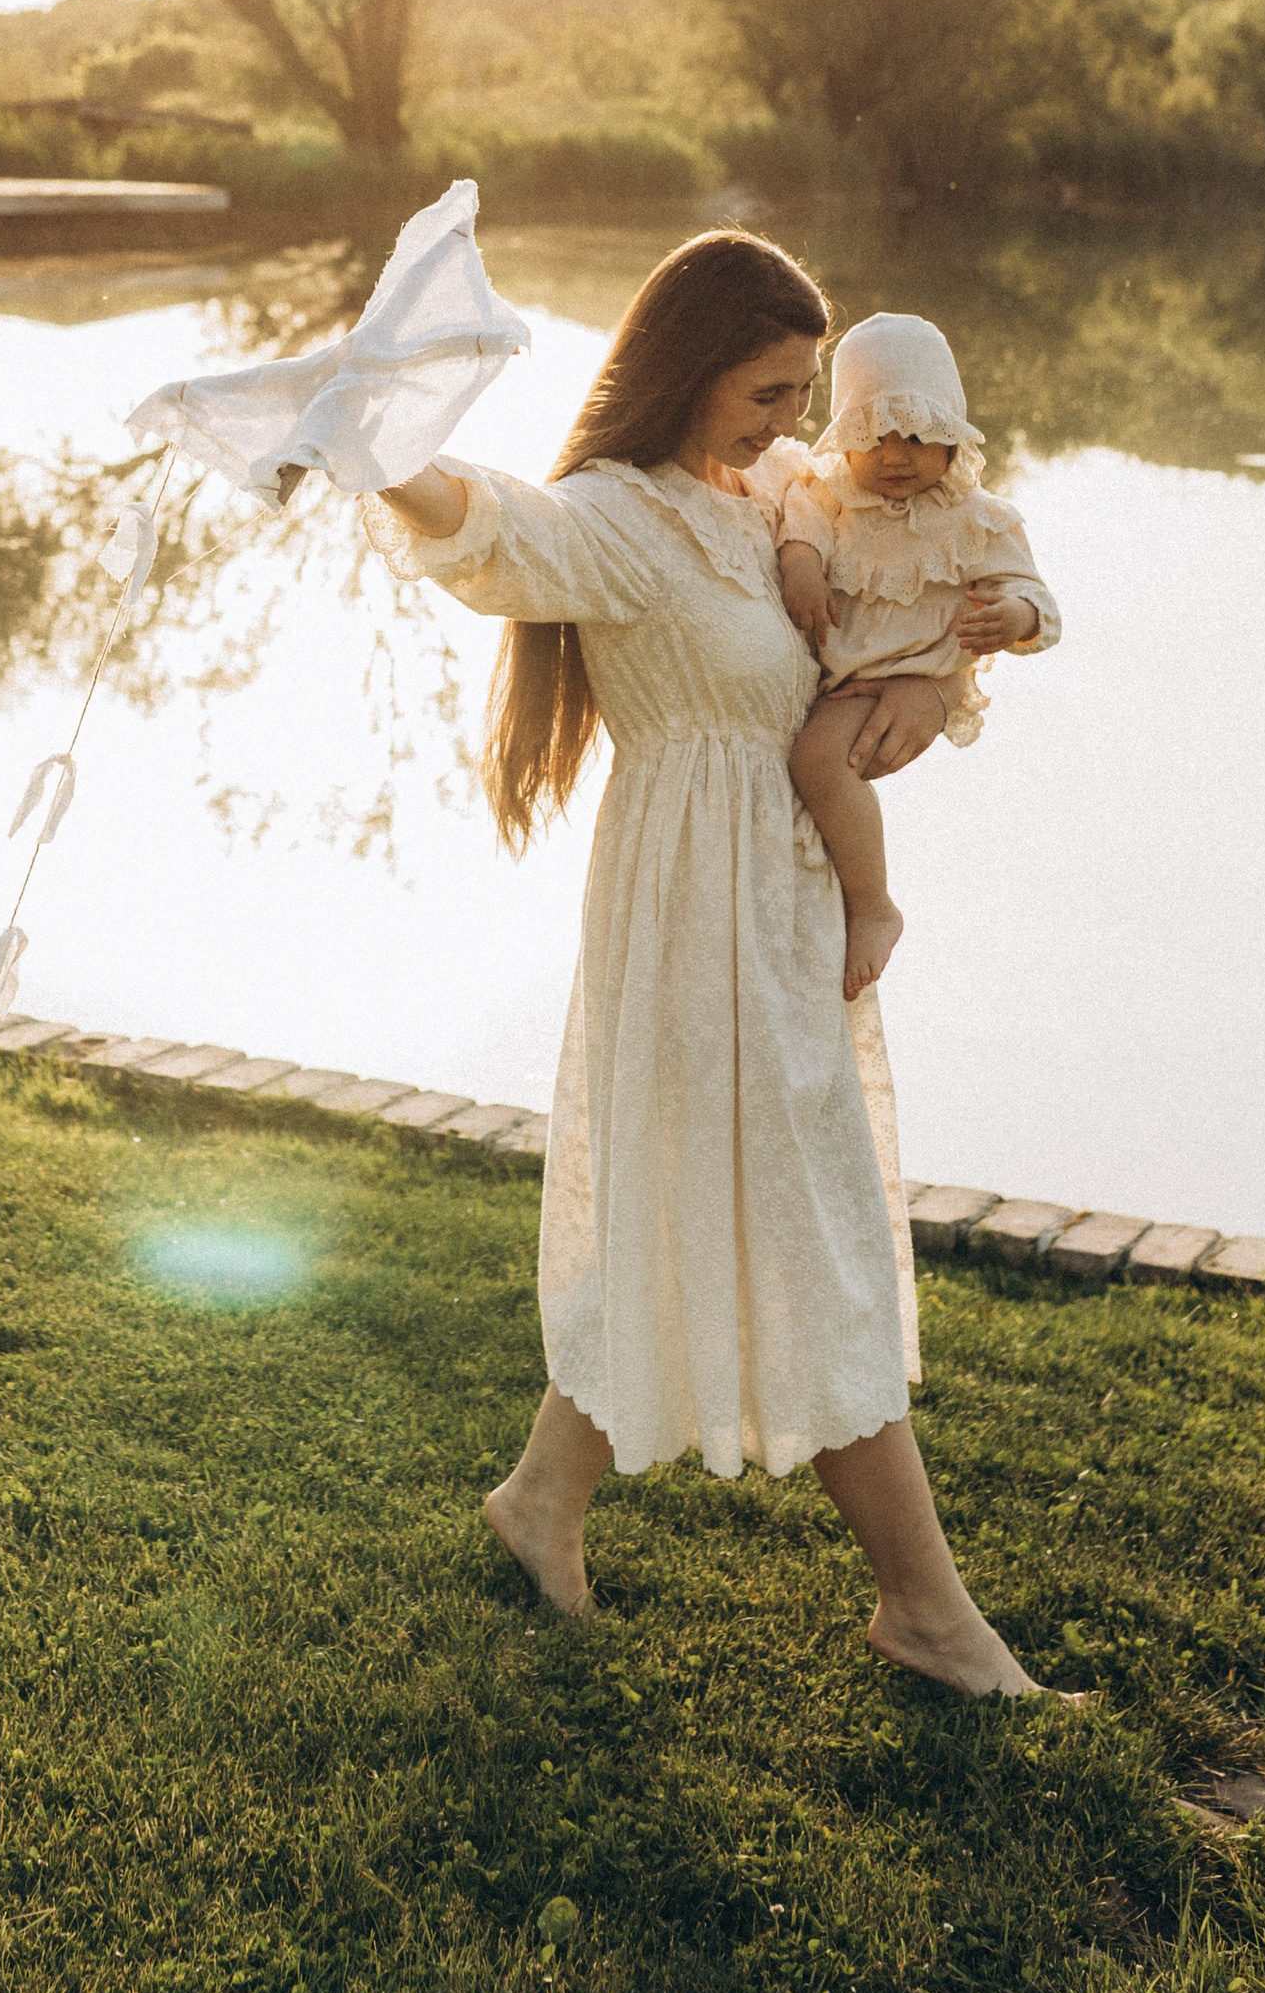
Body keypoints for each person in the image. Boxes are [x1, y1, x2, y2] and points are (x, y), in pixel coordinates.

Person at [373, 227, 1043, 1695]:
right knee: (812, 1226)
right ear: (687, 372)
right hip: (696, 910)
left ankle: (541, 1501)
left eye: (807, 395)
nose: (793, 426)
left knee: (705, 1200)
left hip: (783, 899)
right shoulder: (620, 516)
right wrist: (379, 451)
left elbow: (881, 638)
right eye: (766, 394)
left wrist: (946, 673)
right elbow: (492, 529)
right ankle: (927, 1611)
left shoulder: (775, 500)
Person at [764, 310, 1060, 1006]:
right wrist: (801, 564)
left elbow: (1037, 599)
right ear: (845, 437)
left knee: (816, 761)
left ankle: (874, 905)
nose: (897, 455)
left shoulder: (980, 517)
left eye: (920, 436)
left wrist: (1010, 616)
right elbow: (799, 525)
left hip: (903, 681)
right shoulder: (831, 496)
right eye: (875, 435)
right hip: (839, 680)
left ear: (954, 435)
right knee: (814, 767)